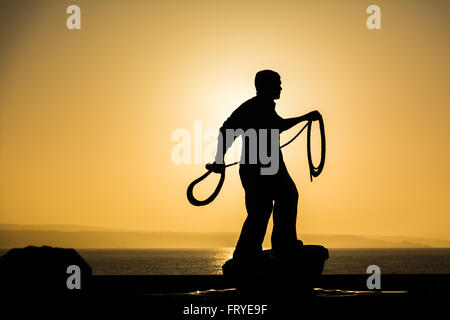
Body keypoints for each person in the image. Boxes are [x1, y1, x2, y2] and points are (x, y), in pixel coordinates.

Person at [208, 70, 320, 262]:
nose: (281, 87)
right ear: (265, 86)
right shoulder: (253, 107)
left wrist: (304, 118)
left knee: (271, 205)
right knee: (269, 205)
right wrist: (219, 159)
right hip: (260, 169)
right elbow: (227, 130)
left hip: (269, 166)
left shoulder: (264, 107)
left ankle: (262, 248)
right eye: (277, 83)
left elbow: (277, 125)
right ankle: (268, 247)